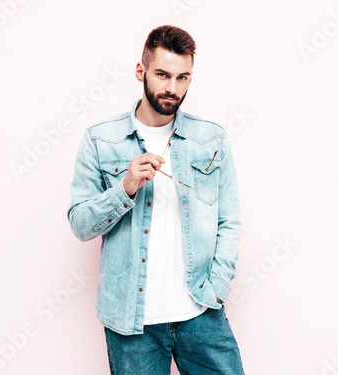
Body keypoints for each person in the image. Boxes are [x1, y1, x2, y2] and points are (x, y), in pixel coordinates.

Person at [67, 25, 244, 375]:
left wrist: (218, 287)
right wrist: (125, 187)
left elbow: (229, 220)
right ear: (141, 71)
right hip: (132, 324)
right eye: (163, 74)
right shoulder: (100, 140)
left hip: (201, 313)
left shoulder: (211, 139)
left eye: (183, 77)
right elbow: (80, 224)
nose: (172, 88)